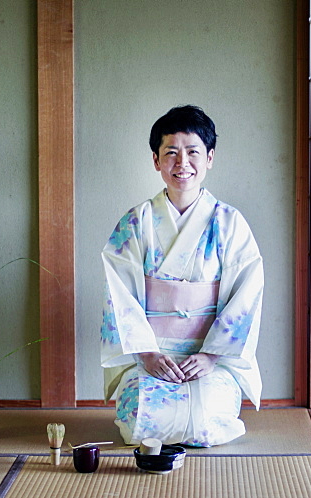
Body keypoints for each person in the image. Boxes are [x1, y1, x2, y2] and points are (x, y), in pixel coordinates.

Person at [100, 105, 264, 447]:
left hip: (208, 359)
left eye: (193, 152)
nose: (182, 163)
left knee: (206, 419)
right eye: (170, 153)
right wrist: (147, 354)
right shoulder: (137, 222)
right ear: (156, 160)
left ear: (210, 158)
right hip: (152, 357)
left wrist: (211, 356)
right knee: (145, 419)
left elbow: (247, 292)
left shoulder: (230, 223)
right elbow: (118, 293)